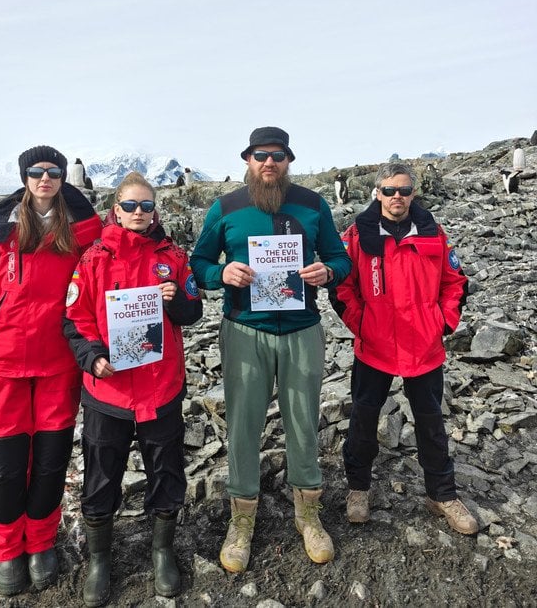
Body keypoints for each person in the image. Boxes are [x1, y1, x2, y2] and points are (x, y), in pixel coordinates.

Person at [190, 126, 351, 573]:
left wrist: (327, 272)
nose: (269, 162)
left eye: (277, 155)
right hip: (245, 329)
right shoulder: (226, 207)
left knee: (303, 421)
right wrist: (220, 274)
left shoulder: (313, 204)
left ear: (288, 161)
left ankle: (308, 513)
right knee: (244, 424)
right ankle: (241, 518)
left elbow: (341, 258)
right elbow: (198, 262)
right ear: (247, 159)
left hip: (302, 329)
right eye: (260, 155)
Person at [0, 145, 103, 596]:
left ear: (63, 177)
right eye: (36, 171)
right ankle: (5, 550)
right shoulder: (0, 229)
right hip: (4, 363)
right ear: (24, 177)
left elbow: (102, 277)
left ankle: (40, 541)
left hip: (60, 362)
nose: (45, 179)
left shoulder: (82, 229)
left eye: (54, 171)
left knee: (50, 459)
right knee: (3, 463)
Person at [63, 171, 202, 607]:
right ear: (116, 210)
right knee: (102, 474)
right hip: (109, 391)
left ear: (154, 211)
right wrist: (92, 357)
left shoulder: (173, 257)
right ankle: (99, 558)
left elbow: (193, 312)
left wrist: (177, 300)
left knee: (166, 469)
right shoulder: (93, 258)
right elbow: (75, 319)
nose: (138, 212)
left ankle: (162, 550)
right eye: (130, 205)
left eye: (146, 205)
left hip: (161, 387)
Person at [329, 162, 479, 535]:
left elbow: (455, 282)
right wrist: (363, 325)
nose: (397, 196)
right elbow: (342, 287)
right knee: (363, 419)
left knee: (431, 422)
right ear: (377, 192)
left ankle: (442, 494)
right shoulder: (357, 236)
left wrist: (441, 323)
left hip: (423, 347)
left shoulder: (433, 233)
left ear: (413, 193)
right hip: (374, 346)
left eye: (404, 190)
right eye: (390, 190)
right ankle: (358, 488)